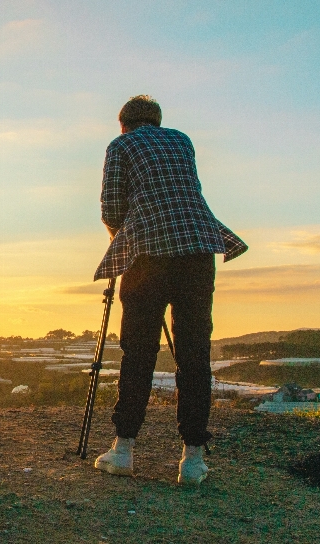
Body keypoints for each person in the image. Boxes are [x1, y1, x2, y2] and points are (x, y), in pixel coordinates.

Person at [92, 95, 247, 485]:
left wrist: (122, 241)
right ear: (158, 122)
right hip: (197, 249)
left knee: (139, 351)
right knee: (194, 353)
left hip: (149, 256)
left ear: (124, 124)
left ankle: (123, 449)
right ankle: (192, 460)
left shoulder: (121, 145)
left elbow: (111, 208)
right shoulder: (182, 140)